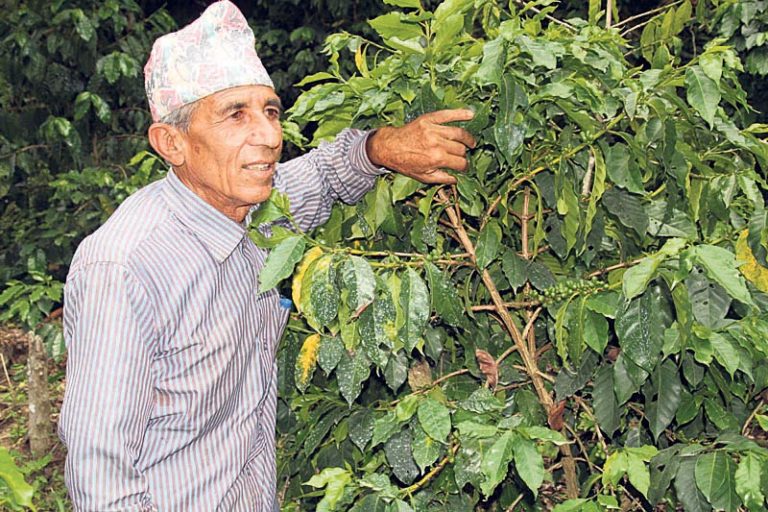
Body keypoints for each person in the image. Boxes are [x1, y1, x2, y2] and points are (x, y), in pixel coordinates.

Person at [58, 1, 475, 510]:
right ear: (172, 143)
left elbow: (322, 175)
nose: (271, 137)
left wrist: (383, 147)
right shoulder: (125, 268)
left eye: (270, 111)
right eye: (236, 115)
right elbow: (100, 476)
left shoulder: (255, 211)